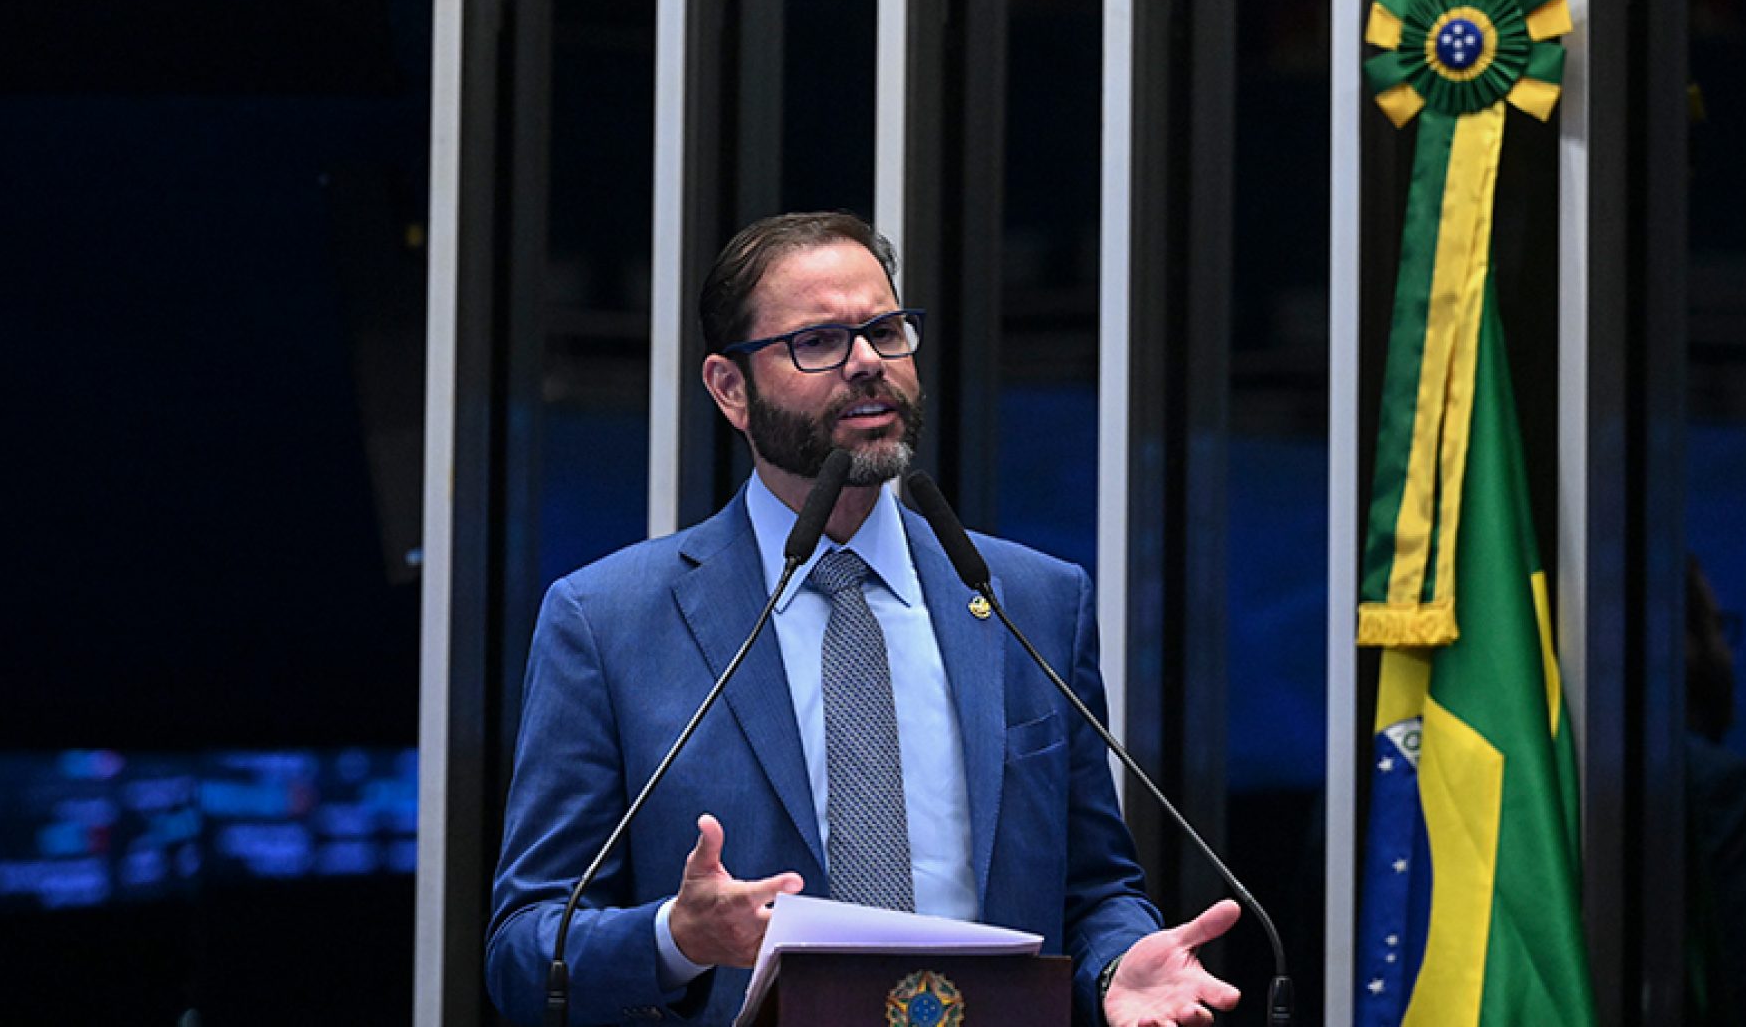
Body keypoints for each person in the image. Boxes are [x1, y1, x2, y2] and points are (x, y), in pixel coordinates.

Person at [487, 211, 1243, 1026]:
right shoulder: (608, 622)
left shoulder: (1033, 601)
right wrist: (676, 938)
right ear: (730, 388)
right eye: (817, 341)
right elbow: (525, 950)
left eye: (885, 331)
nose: (867, 363)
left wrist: (1116, 968)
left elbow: (1095, 890)